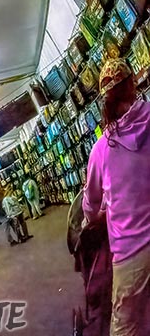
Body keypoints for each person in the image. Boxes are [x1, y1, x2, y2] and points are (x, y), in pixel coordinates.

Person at [83, 58, 150, 336]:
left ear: (105, 101)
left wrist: (97, 216)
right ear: (133, 84)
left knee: (125, 327)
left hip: (131, 253)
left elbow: (90, 205)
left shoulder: (101, 150)